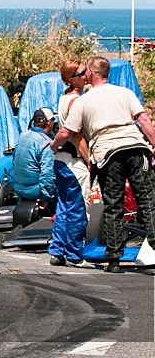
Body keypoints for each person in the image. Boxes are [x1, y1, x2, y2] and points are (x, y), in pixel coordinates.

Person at [50, 56, 155, 273]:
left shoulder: (84, 101)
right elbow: (144, 121)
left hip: (107, 153)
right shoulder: (125, 93)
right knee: (147, 200)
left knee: (113, 205)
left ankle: (114, 259)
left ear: (91, 72)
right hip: (135, 147)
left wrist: (53, 146)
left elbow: (67, 132)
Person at [49, 59, 93, 268]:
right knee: (78, 208)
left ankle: (57, 250)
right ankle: (75, 254)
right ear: (71, 79)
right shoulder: (77, 101)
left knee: (64, 207)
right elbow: (75, 134)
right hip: (74, 161)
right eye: (82, 73)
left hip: (61, 160)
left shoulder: (64, 98)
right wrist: (89, 159)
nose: (86, 75)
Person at [12, 107, 57, 204]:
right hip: (35, 192)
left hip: (18, 188)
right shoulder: (46, 144)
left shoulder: (22, 135)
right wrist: (47, 198)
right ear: (49, 122)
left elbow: (14, 161)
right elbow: (48, 176)